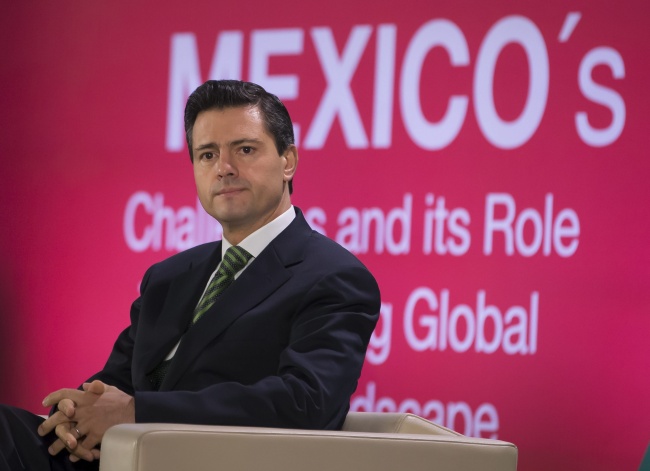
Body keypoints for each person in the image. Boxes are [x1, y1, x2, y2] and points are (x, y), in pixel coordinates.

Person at [0, 80, 381, 470]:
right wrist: (73, 414)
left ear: (288, 161)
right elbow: (116, 384)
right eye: (207, 154)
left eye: (245, 150)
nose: (224, 169)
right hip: (114, 458)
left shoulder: (334, 277)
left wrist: (138, 413)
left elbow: (304, 403)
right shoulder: (168, 277)